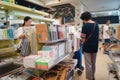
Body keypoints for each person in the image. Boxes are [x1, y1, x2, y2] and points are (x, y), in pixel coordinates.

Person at [80, 11, 99, 80]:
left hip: (87, 48)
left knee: (88, 64)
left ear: (84, 19)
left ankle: (89, 78)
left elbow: (83, 39)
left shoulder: (85, 26)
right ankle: (93, 77)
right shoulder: (96, 24)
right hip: (95, 47)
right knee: (93, 63)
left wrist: (81, 39)